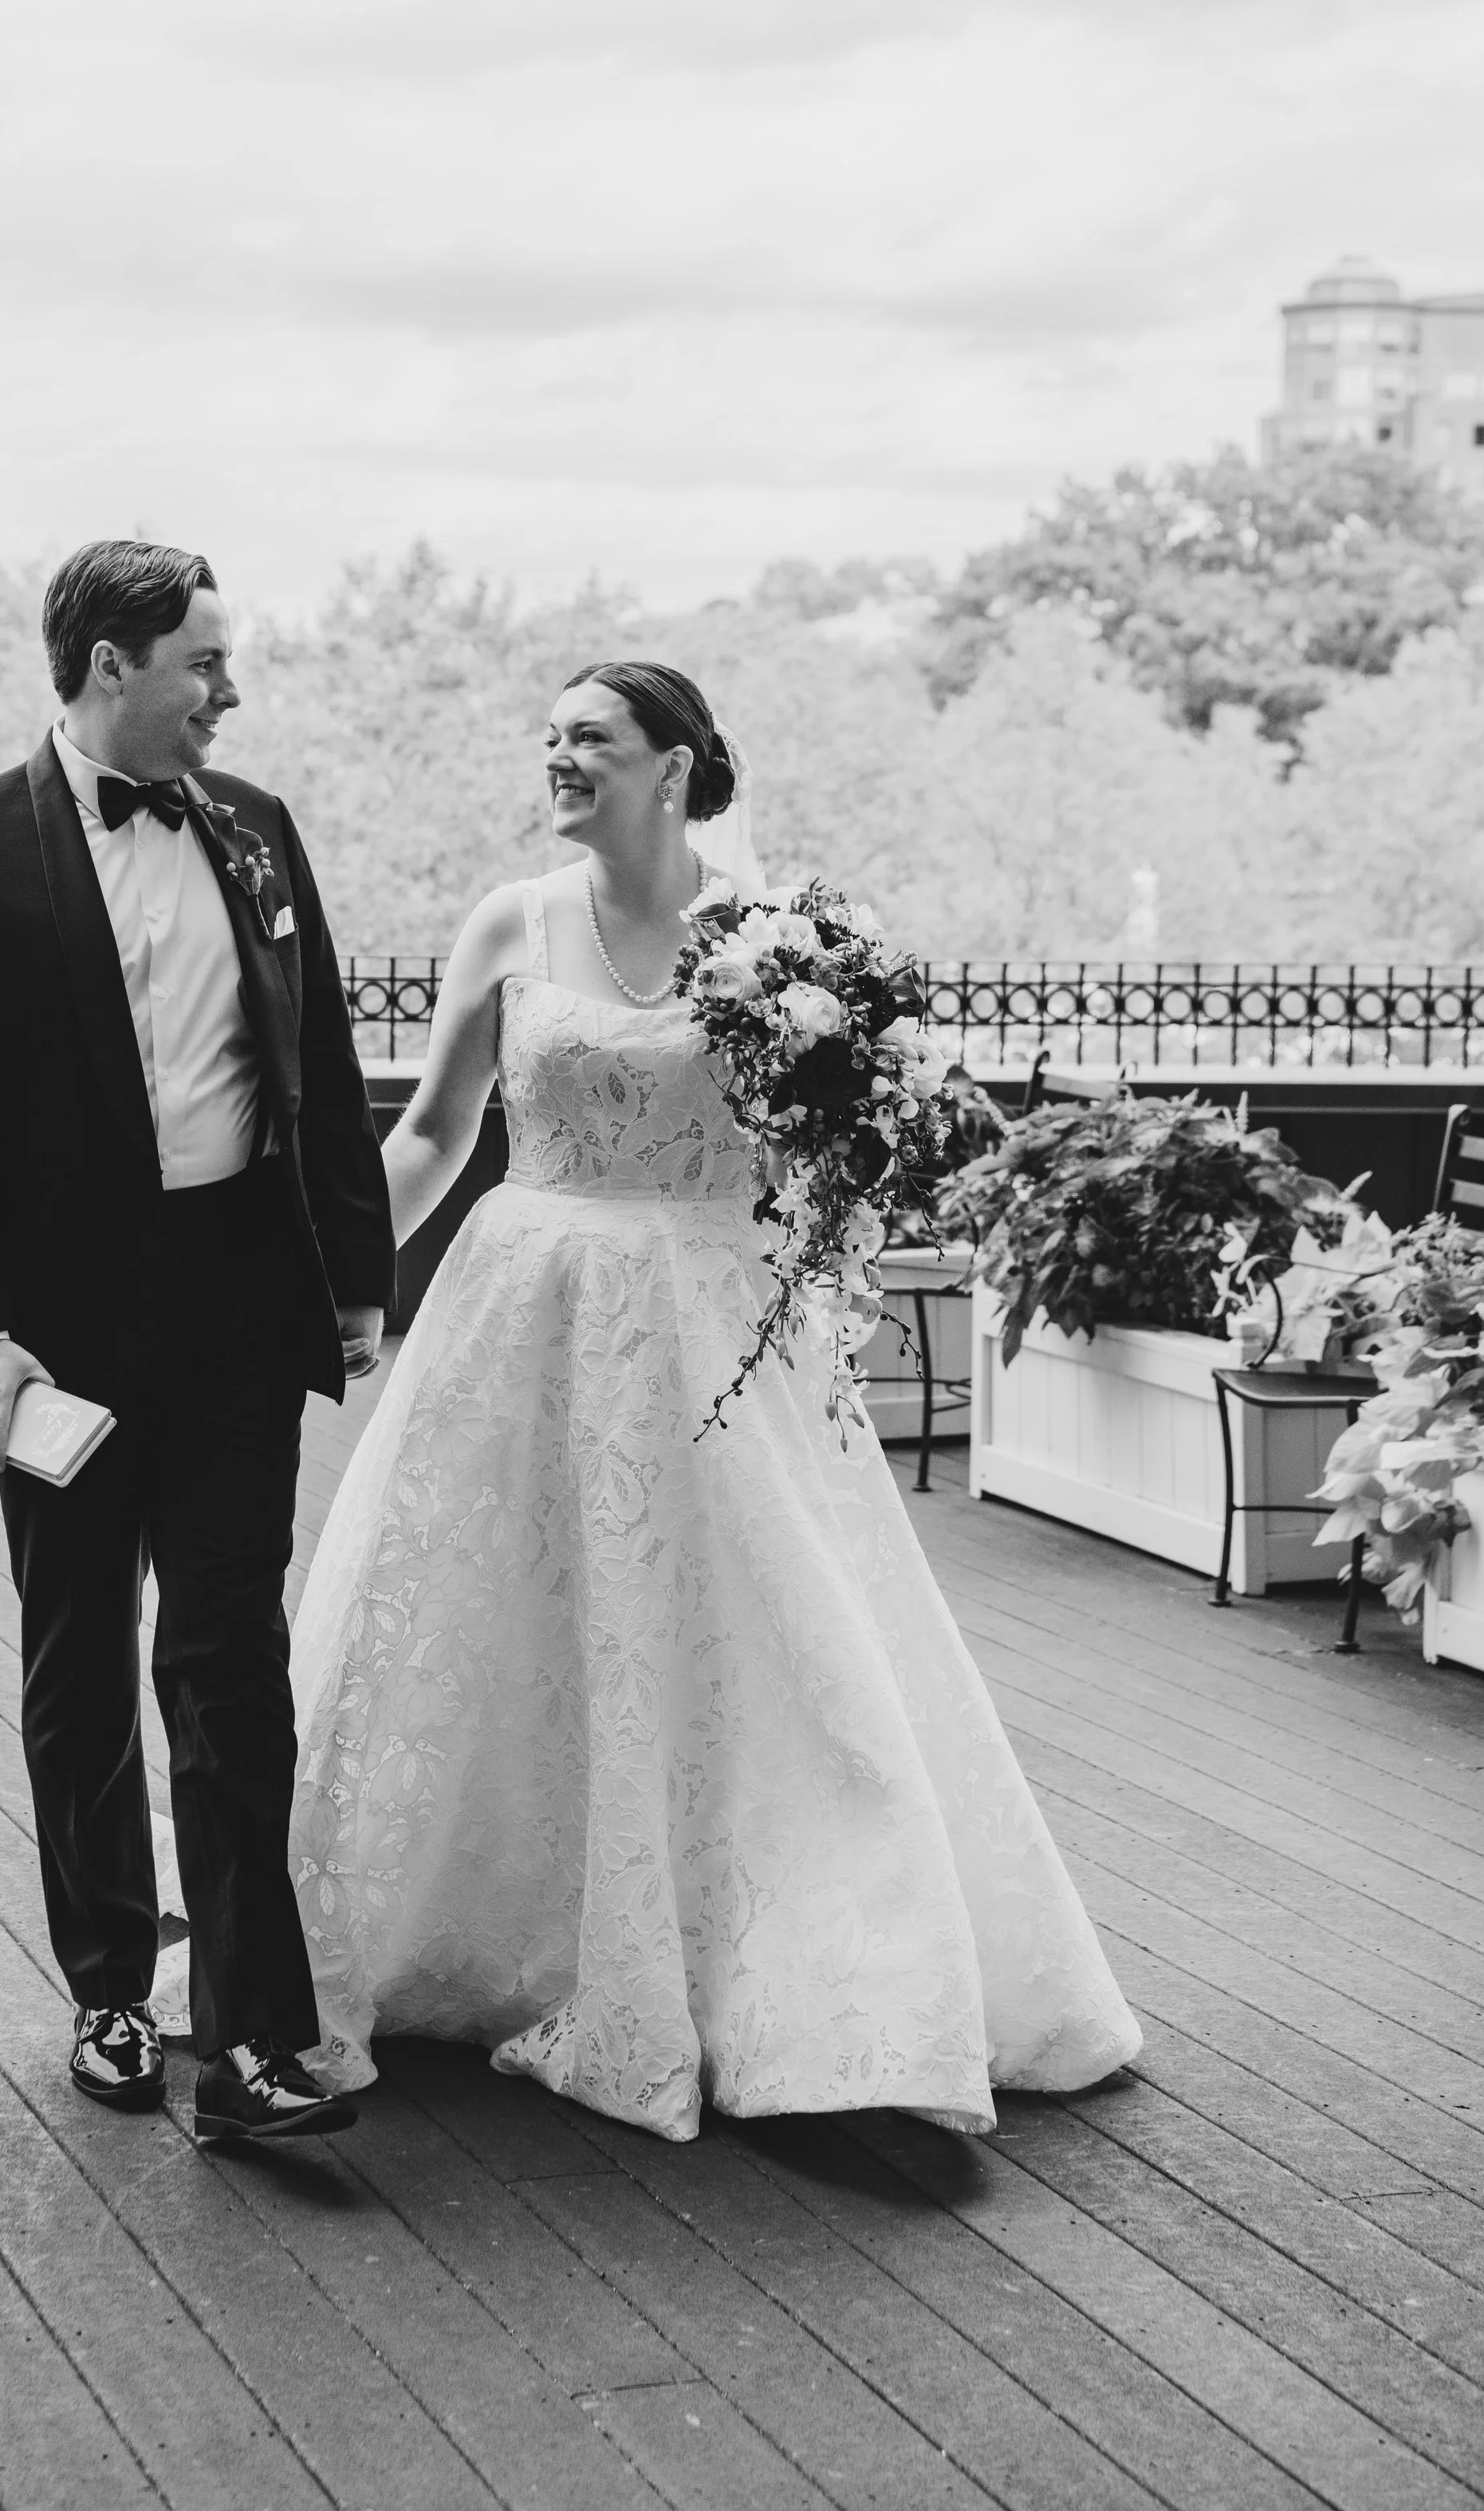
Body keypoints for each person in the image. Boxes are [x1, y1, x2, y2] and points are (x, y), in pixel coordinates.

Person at [279, 659, 1142, 2141]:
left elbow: (842, 1153)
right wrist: (339, 1282)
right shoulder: (509, 920)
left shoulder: (789, 939)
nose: (559, 758)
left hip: (715, 1330)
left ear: (673, 768)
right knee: (495, 1621)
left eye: (592, 740)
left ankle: (824, 1963)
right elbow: (432, 1133)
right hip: (519, 1313)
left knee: (762, 1639)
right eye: (547, 735)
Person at [0, 540, 393, 2143]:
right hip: (63, 1332)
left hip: (238, 1297)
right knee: (80, 1654)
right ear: (113, 664)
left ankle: (250, 2039)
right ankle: (109, 1979)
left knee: (229, 1660)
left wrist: (354, 1281)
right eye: (204, 666)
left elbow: (317, 1060)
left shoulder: (257, 830)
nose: (225, 694)